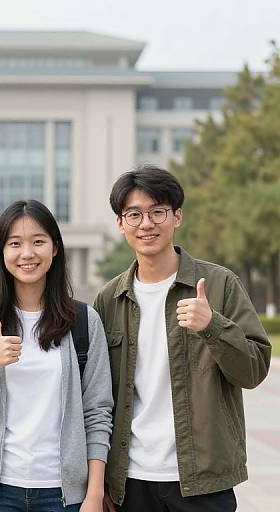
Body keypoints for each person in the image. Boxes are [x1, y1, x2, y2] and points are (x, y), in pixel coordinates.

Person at [94, 165, 271, 512]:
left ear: (177, 217)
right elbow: (98, 399)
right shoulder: (108, 300)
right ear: (120, 223)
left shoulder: (220, 285)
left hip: (203, 481)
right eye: (134, 214)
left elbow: (254, 370)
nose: (146, 224)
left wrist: (212, 326)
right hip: (130, 482)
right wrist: (99, 482)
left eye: (158, 211)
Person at [0, 199, 113, 512]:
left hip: (64, 495)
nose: (27, 254)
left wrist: (94, 493)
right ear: (1, 253)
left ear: (55, 249)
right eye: (15, 244)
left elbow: (98, 412)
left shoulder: (84, 322)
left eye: (38, 242)